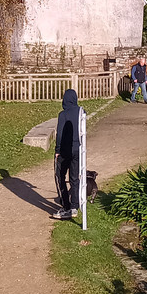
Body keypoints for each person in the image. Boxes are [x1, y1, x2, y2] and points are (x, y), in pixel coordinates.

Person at [51, 88, 86, 220]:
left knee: (59, 176)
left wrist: (57, 150)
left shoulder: (63, 115)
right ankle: (74, 206)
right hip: (78, 149)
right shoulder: (81, 112)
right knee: (74, 178)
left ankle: (66, 206)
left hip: (65, 151)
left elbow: (59, 134)